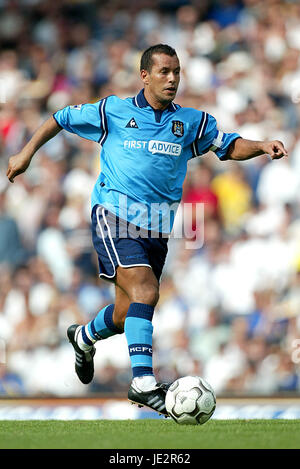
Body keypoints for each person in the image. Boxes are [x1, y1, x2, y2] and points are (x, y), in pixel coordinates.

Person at [6, 44, 288, 416]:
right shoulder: (112, 111)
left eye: (176, 72)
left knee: (128, 312)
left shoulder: (192, 122)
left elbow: (228, 146)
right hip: (113, 214)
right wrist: (25, 154)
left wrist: (262, 145)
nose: (172, 79)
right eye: (164, 72)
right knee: (146, 289)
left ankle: (84, 336)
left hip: (156, 228)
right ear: (145, 75)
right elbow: (60, 117)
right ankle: (142, 383)